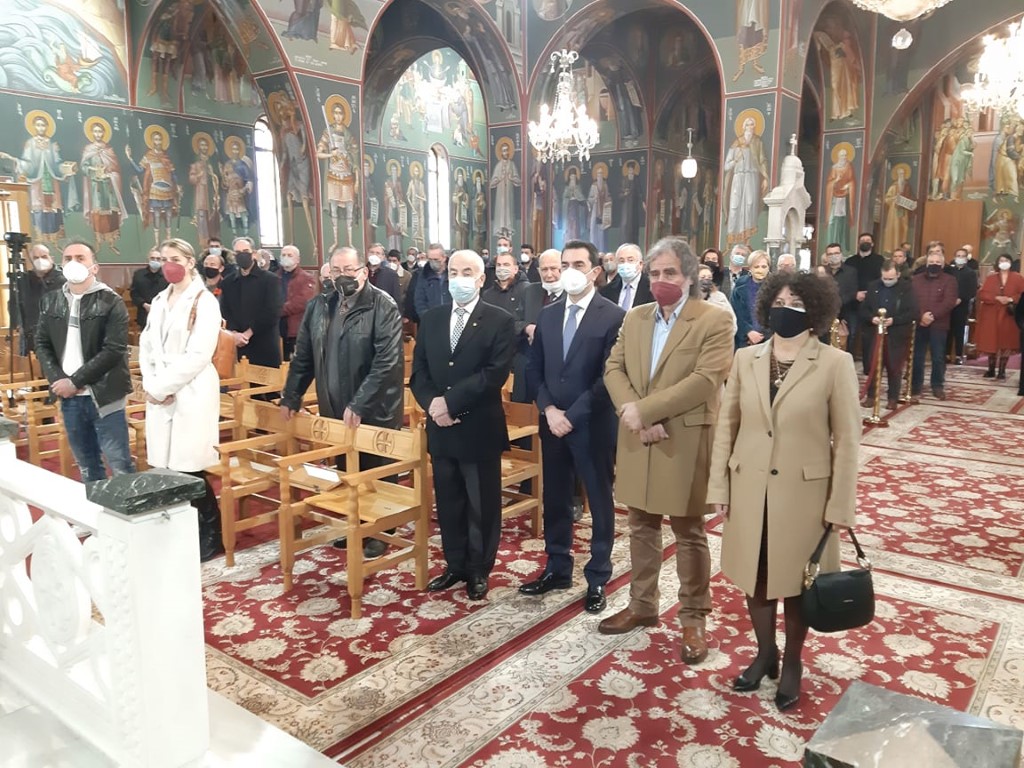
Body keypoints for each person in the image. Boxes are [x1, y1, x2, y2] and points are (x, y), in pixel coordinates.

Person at [707, 271, 860, 712]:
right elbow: (727, 426)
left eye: (796, 302)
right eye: (779, 301)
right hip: (749, 486)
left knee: (796, 583)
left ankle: (792, 661)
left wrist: (841, 505)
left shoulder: (834, 363)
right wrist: (720, 484)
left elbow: (847, 440)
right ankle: (765, 653)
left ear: (814, 311)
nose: (785, 309)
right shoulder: (746, 358)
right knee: (754, 577)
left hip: (805, 495)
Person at [600, 237, 734, 666]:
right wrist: (634, 412)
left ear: (689, 276)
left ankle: (694, 619)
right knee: (640, 523)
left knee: (688, 530)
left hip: (683, 437)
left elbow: (705, 380)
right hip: (638, 435)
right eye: (655, 273)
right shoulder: (636, 317)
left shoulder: (714, 320)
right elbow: (614, 367)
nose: (661, 280)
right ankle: (642, 604)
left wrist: (647, 411)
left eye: (670, 273)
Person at [520, 240, 625, 614]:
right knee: (556, 497)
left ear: (595, 271)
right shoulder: (548, 315)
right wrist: (549, 409)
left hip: (592, 424)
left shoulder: (613, 316)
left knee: (599, 499)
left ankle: (597, 576)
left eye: (577, 264)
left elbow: (608, 376)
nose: (569, 271)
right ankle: (557, 567)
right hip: (552, 423)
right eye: (564, 264)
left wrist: (571, 415)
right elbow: (534, 367)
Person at [281, 246, 404, 560]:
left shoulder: (382, 305)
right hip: (334, 403)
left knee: (376, 470)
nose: (342, 276)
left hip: (374, 406)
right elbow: (304, 356)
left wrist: (360, 403)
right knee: (347, 469)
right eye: (336, 271)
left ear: (363, 271)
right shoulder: (319, 306)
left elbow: (387, 362)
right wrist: (291, 395)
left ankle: (380, 530)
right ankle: (354, 524)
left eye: (349, 270)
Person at [410, 250, 516, 601]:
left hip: (478, 427)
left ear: (481, 278)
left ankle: (478, 569)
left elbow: (493, 374)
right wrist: (433, 405)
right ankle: (455, 564)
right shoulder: (433, 318)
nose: (459, 279)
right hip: (440, 427)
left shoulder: (499, 320)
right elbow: (419, 372)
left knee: (481, 503)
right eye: (453, 272)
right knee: (449, 500)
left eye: (467, 272)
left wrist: (451, 403)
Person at [139, 239, 224, 561]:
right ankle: (179, 530)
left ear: (189, 262)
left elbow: (199, 354)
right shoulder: (160, 298)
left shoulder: (204, 301)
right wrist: (153, 383)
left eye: (174, 258)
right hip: (161, 388)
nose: (168, 265)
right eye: (163, 259)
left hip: (191, 389)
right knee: (166, 466)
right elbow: (147, 344)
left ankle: (210, 533)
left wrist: (163, 386)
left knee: (191, 468)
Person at [35, 240, 134, 483]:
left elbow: (114, 350)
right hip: (70, 398)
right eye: (68, 258)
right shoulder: (51, 300)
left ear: (94, 267)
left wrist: (75, 381)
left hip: (105, 395)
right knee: (87, 465)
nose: (73, 263)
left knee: (119, 465)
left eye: (80, 258)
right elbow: (42, 343)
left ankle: (125, 509)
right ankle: (94, 508)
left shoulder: (111, 301)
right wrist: (58, 380)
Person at [860, 260, 917, 410]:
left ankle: (893, 398)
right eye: (884, 278)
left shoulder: (907, 288)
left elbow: (913, 312)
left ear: (898, 274)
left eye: (890, 278)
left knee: (894, 366)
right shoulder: (873, 286)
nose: (887, 281)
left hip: (896, 334)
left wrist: (894, 320)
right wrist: (872, 318)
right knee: (873, 364)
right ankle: (871, 396)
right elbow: (864, 309)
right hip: (875, 333)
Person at [219, 237, 283, 369]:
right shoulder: (228, 282)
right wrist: (234, 334)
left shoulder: (270, 280)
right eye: (238, 252)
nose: (242, 255)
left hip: (264, 344)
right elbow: (225, 311)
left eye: (245, 251)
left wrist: (248, 334)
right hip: (237, 343)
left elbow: (272, 311)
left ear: (253, 254)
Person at [911, 245, 959, 400]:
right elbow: (911, 301)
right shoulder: (916, 280)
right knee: (917, 357)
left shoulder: (950, 280)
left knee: (938, 357)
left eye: (938, 262)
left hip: (939, 325)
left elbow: (949, 302)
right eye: (931, 262)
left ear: (943, 264)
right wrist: (921, 316)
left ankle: (937, 385)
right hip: (919, 323)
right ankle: (915, 386)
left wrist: (931, 316)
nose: (934, 264)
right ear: (926, 263)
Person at [976, 253, 1024, 380]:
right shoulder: (991, 278)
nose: (1004, 262)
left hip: (1008, 315)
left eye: (1006, 260)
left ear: (1011, 262)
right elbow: (982, 294)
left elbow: (1021, 294)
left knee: (1006, 342)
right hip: (991, 314)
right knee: (991, 341)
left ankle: (1002, 371)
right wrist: (996, 298)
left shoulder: (1018, 278)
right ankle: (991, 369)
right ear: (997, 263)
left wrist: (1010, 299)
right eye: (1001, 260)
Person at [12, 244, 65, 354]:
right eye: (36, 258)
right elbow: (14, 302)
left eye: (44, 256)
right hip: (31, 332)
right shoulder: (24, 280)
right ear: (30, 261)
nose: (40, 260)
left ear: (51, 258)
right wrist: (18, 322)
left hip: (57, 334)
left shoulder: (63, 279)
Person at [848, 233, 884, 373]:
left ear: (872, 244)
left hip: (871, 304)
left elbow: (881, 281)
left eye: (868, 240)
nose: (865, 242)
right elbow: (846, 282)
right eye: (862, 240)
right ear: (858, 243)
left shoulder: (879, 260)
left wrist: (869, 294)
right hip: (853, 303)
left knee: (869, 337)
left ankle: (869, 367)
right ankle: (848, 365)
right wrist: (855, 294)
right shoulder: (850, 261)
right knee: (851, 334)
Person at [278, 244, 317, 361]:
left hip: (296, 330)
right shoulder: (274, 277)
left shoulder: (307, 278)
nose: (286, 257)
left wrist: (277, 310)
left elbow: (302, 302)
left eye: (290, 255)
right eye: (283, 255)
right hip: (277, 330)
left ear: (298, 259)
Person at [945, 247, 979, 364]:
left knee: (959, 331)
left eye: (962, 256)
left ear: (966, 258)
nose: (960, 258)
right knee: (948, 329)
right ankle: (947, 354)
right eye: (958, 256)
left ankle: (959, 355)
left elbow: (972, 290)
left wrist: (960, 298)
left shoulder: (970, 273)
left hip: (962, 305)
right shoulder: (949, 271)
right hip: (948, 304)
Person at [731, 250, 771, 348]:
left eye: (764, 266)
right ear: (750, 268)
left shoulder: (776, 287)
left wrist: (763, 335)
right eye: (756, 267)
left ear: (768, 268)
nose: (760, 270)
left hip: (769, 340)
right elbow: (734, 312)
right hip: (743, 340)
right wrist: (748, 331)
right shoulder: (739, 287)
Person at [601, 243, 653, 311]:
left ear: (640, 264)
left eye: (630, 260)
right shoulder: (606, 291)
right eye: (621, 261)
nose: (625, 264)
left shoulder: (651, 288)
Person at [130, 248, 169, 332]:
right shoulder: (138, 274)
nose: (155, 261)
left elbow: (171, 294)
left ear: (162, 260)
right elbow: (134, 294)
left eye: (158, 259)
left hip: (163, 314)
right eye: (152, 258)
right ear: (148, 259)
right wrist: (144, 305)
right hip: (144, 314)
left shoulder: (167, 276)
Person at [699, 264, 737, 335]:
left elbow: (731, 319)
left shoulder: (719, 297)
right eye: (703, 277)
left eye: (709, 277)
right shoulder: (687, 299)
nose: (706, 280)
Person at [414, 243, 449, 318]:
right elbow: (419, 300)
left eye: (436, 259)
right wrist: (427, 318)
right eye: (430, 259)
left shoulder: (453, 274)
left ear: (444, 258)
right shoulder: (423, 275)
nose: (433, 262)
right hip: (431, 319)